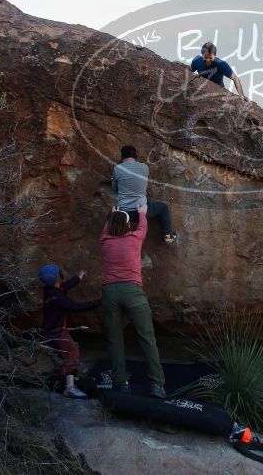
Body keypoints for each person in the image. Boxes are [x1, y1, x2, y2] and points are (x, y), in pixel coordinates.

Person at [100, 204, 166, 398]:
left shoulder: (105, 241)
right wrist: (143, 213)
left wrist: (111, 214)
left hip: (110, 292)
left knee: (114, 339)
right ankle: (157, 384)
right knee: (146, 337)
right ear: (128, 226)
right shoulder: (134, 239)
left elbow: (106, 228)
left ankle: (121, 383)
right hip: (132, 291)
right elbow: (143, 227)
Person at [38, 264, 101, 399]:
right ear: (57, 277)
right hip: (57, 332)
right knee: (72, 351)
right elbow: (75, 307)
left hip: (50, 330)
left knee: (62, 357)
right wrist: (99, 302)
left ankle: (60, 382)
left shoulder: (50, 290)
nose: (62, 273)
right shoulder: (56, 296)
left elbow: (64, 288)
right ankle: (70, 388)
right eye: (60, 272)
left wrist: (78, 278)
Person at [112, 145, 178, 246]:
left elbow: (115, 188)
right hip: (142, 211)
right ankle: (168, 238)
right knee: (163, 208)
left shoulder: (117, 169)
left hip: (124, 214)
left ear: (122, 156)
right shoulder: (144, 167)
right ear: (135, 156)